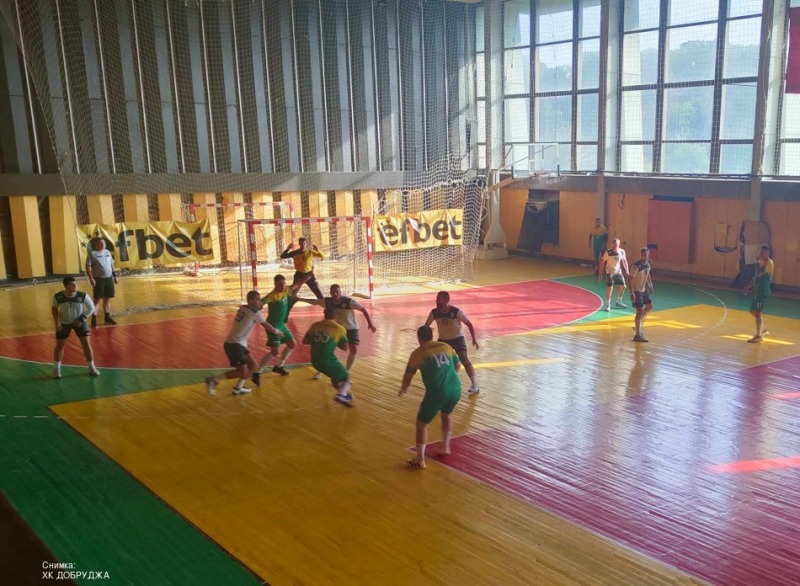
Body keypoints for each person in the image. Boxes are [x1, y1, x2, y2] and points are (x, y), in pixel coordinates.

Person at [399, 325, 462, 470]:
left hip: (437, 392)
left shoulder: (418, 354)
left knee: (421, 424)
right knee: (446, 414)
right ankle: (445, 446)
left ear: (419, 338)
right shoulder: (446, 347)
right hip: (456, 388)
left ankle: (420, 459)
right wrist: (448, 378)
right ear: (432, 336)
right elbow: (458, 365)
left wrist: (404, 388)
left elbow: (408, 376)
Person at [205, 291, 281, 395]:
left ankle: (238, 388)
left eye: (260, 300)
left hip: (239, 344)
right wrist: (278, 332)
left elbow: (250, 312)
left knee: (253, 366)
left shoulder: (244, 308)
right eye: (257, 300)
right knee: (242, 371)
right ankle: (214, 380)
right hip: (234, 345)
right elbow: (267, 325)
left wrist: (258, 306)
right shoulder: (254, 313)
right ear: (250, 300)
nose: (260, 302)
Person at [296, 284, 376, 376]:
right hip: (336, 328)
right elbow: (314, 302)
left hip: (351, 327)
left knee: (353, 349)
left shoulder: (348, 302)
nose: (335, 294)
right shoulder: (328, 302)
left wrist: (370, 323)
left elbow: (363, 309)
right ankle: (321, 370)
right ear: (330, 293)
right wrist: (299, 299)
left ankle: (347, 371)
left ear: (340, 292)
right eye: (333, 292)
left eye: (337, 292)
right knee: (328, 348)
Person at [424, 291, 480, 394]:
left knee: (463, 359)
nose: (436, 300)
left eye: (439, 298)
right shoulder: (434, 312)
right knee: (439, 362)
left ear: (446, 300)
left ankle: (474, 385)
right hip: (443, 341)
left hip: (458, 339)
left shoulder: (457, 312)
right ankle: (443, 383)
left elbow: (469, 324)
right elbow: (426, 327)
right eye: (436, 298)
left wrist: (474, 339)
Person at [252, 275, 302, 385]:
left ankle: (279, 366)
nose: (282, 286)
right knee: (274, 352)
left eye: (284, 283)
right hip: (272, 326)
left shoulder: (287, 290)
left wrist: (307, 276)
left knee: (292, 344)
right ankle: (257, 372)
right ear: (275, 284)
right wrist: (259, 305)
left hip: (281, 325)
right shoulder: (272, 296)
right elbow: (263, 301)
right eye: (280, 284)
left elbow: (297, 284)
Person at [302, 306, 353, 406]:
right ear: (336, 315)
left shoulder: (315, 325)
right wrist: (334, 341)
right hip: (328, 360)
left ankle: (344, 395)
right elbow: (345, 347)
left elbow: (305, 341)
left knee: (336, 377)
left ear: (324, 314)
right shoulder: (339, 328)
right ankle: (341, 395)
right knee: (347, 378)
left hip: (315, 361)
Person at [52, 276, 99, 378]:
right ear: (66, 286)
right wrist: (57, 322)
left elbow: (91, 308)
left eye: (76, 284)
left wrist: (81, 319)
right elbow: (54, 308)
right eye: (72, 285)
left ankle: (91, 367)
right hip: (64, 323)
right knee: (60, 345)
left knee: (86, 343)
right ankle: (57, 369)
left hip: (80, 323)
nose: (75, 286)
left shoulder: (82, 296)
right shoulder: (58, 297)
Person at [85, 237, 119, 327]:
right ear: (96, 245)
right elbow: (88, 267)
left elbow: (111, 264)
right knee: (97, 300)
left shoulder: (107, 252)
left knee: (107, 299)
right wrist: (91, 278)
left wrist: (115, 275)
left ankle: (107, 318)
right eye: (100, 243)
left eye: (104, 243)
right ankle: (94, 319)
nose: (103, 244)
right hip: (99, 279)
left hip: (108, 279)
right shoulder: (92, 254)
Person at [744, 245, 774, 343]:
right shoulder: (761, 262)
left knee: (757, 312)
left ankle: (758, 335)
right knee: (753, 311)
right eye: (760, 252)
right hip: (757, 290)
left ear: (767, 254)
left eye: (762, 253)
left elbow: (758, 274)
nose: (760, 254)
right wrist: (748, 286)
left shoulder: (769, 263)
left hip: (762, 291)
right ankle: (763, 329)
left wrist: (756, 263)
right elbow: (756, 277)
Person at [628, 247, 654, 342]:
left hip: (643, 289)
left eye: (645, 255)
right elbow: (630, 279)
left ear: (648, 255)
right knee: (639, 311)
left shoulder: (649, 263)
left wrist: (650, 285)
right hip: (636, 291)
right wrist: (631, 292)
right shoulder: (636, 266)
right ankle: (637, 335)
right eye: (642, 255)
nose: (643, 257)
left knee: (649, 306)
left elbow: (648, 273)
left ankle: (637, 326)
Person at [598, 237, 629, 311]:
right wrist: (600, 273)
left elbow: (624, 261)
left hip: (618, 272)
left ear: (619, 244)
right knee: (610, 288)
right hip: (609, 272)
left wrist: (627, 270)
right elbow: (602, 261)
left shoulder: (622, 252)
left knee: (623, 286)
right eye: (613, 244)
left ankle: (619, 301)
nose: (614, 245)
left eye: (615, 244)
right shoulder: (608, 252)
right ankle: (608, 304)